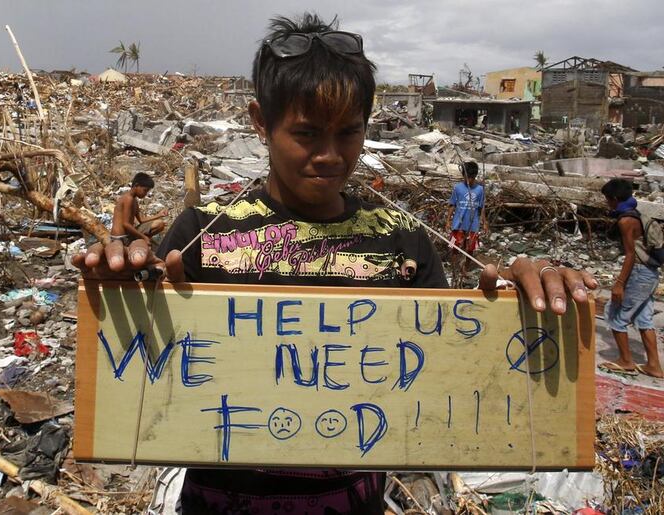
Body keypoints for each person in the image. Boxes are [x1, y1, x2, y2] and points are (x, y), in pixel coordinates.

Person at [75, 13, 596, 514]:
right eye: (306, 134)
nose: (329, 154)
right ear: (261, 122)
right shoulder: (202, 236)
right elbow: (147, 371)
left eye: (348, 132)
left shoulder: (403, 242)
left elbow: (451, 366)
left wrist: (524, 302)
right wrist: (120, 289)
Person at [598, 178, 662, 378]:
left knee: (615, 314)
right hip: (651, 274)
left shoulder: (626, 221)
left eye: (608, 199)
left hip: (639, 273)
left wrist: (619, 284)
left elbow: (630, 255)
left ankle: (626, 361)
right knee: (644, 319)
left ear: (615, 199)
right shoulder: (638, 214)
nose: (607, 203)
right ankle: (654, 366)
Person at [446, 161, 487, 278]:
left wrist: (484, 222)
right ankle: (454, 268)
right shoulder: (458, 188)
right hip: (457, 224)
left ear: (474, 176)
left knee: (470, 248)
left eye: (471, 178)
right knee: (454, 246)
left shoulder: (480, 190)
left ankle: (465, 269)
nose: (468, 180)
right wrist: (448, 220)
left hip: (473, 224)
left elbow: (481, 207)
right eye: (466, 177)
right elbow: (452, 205)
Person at [110, 172, 168, 246]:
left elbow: (141, 220)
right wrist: (143, 236)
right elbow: (126, 224)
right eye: (144, 190)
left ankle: (145, 240)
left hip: (128, 234)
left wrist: (159, 215)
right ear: (136, 185)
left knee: (160, 224)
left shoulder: (134, 200)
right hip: (120, 237)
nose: (145, 194)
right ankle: (143, 241)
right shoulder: (128, 199)